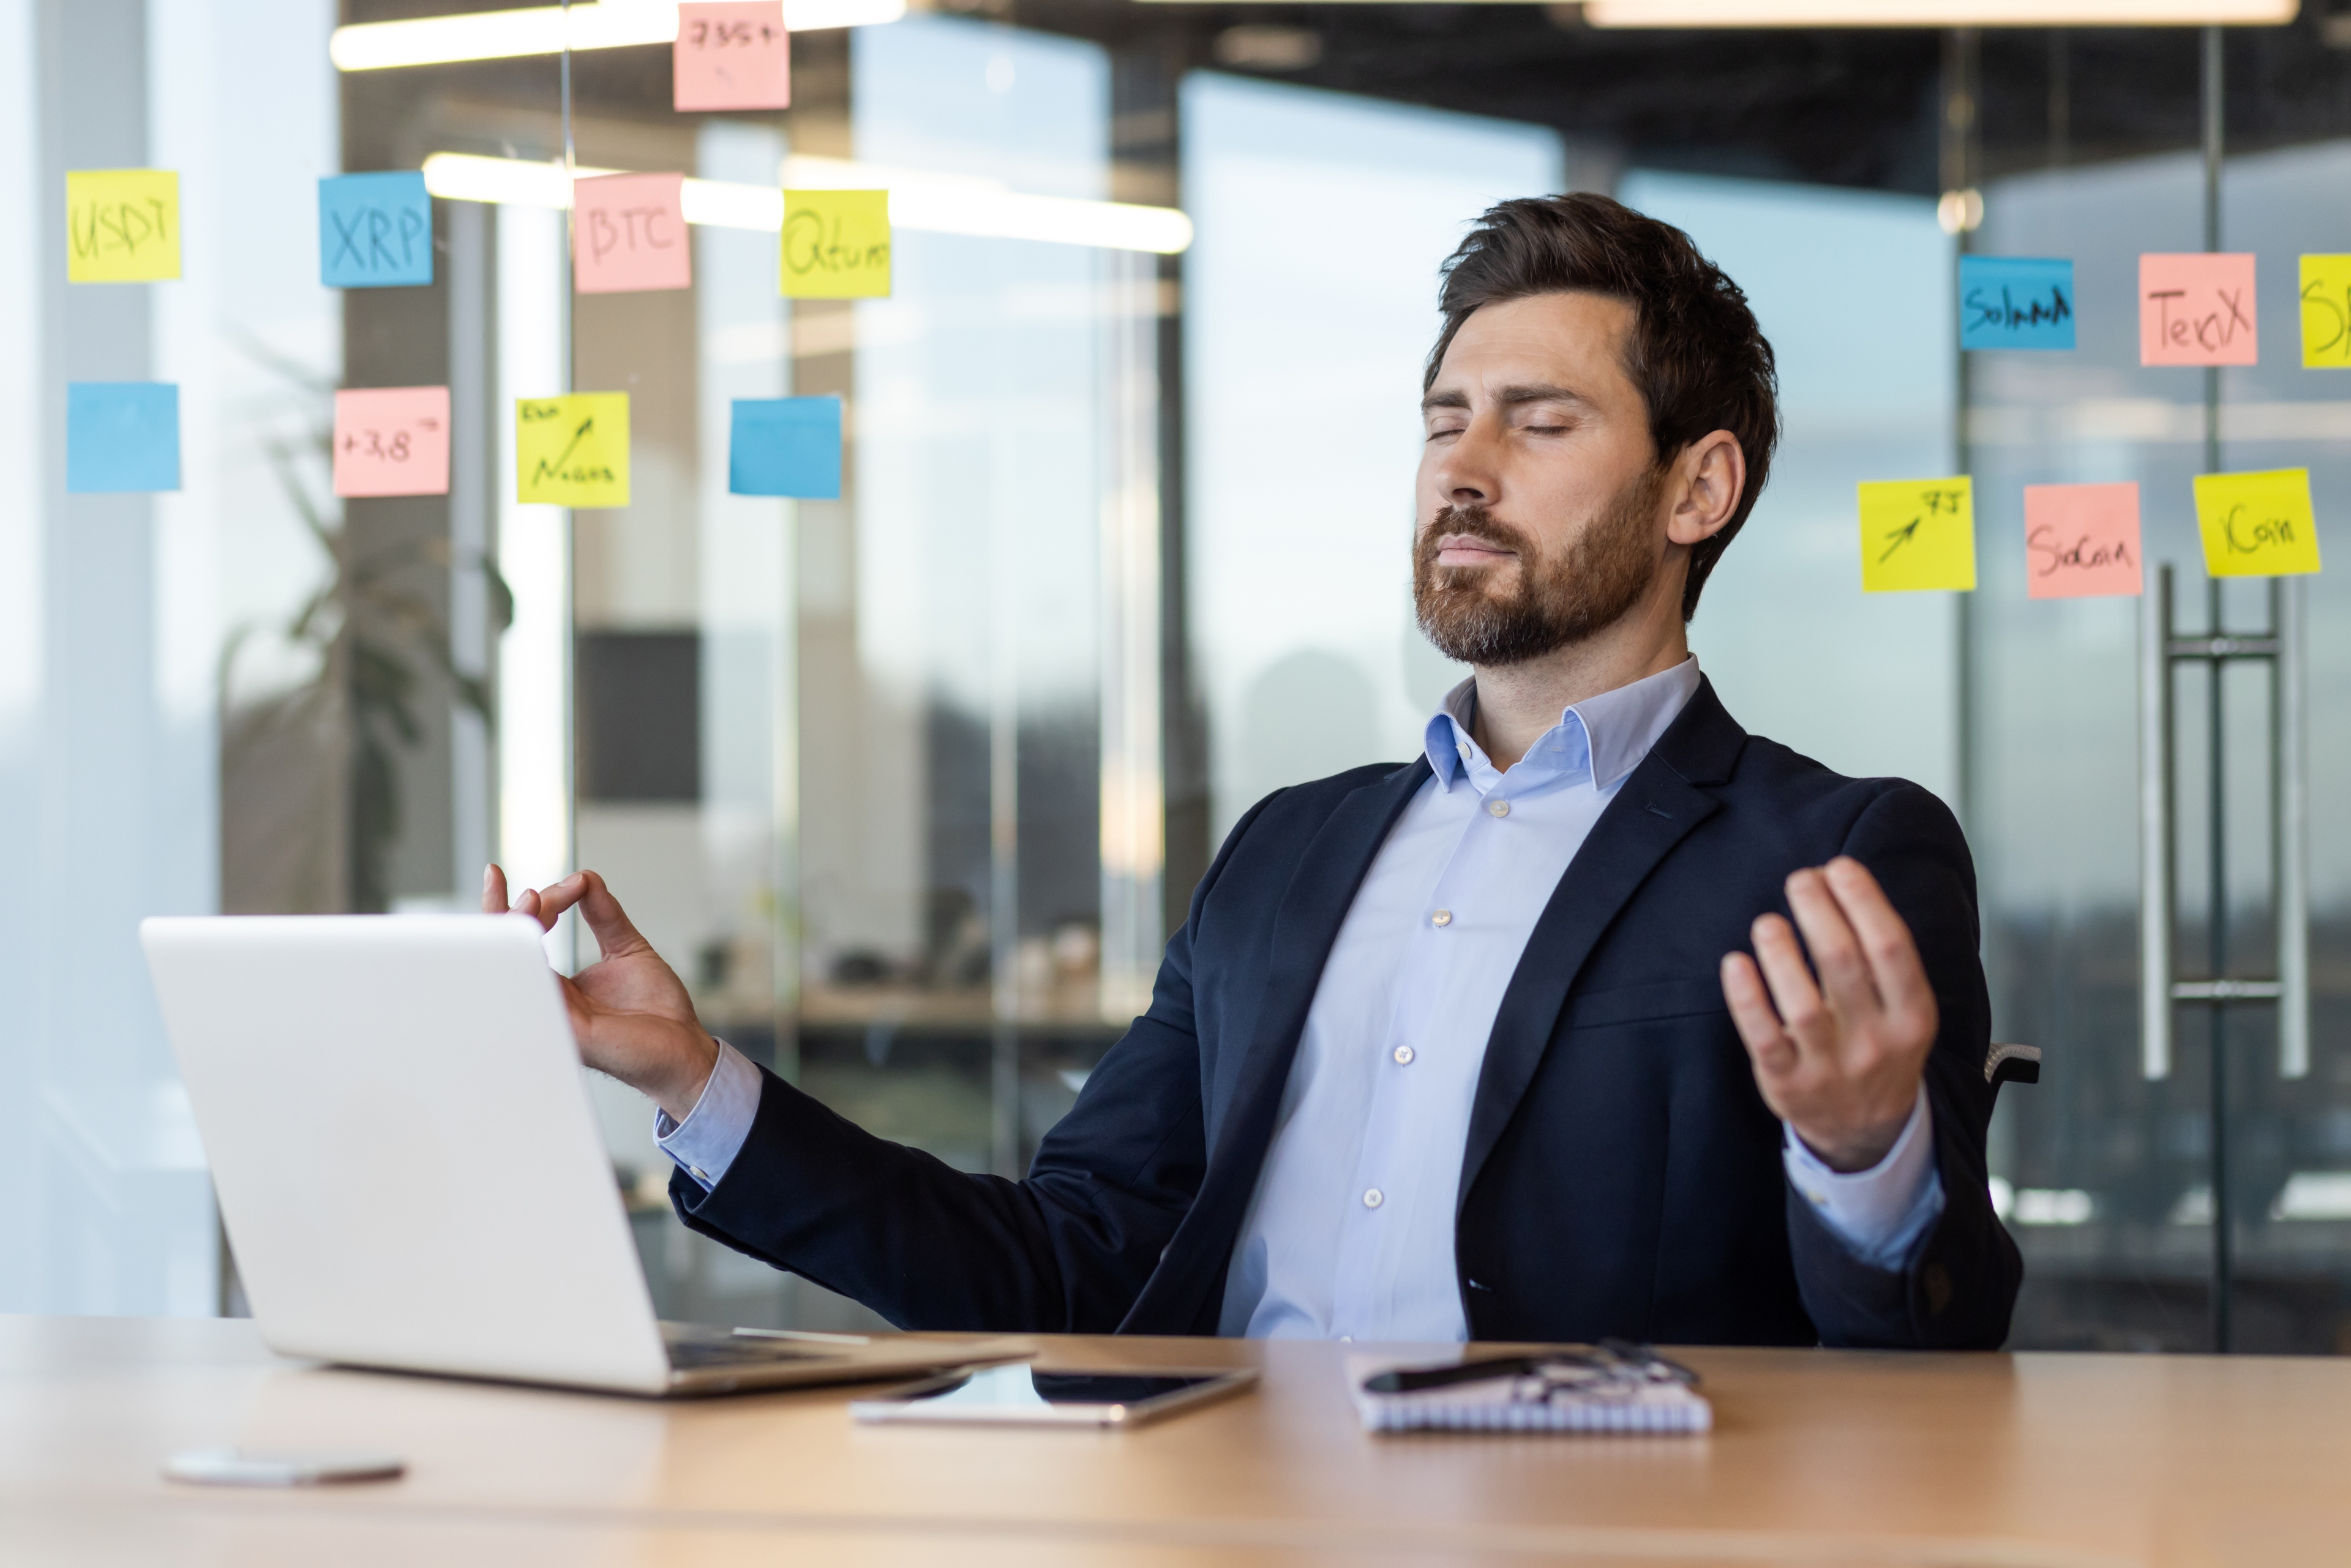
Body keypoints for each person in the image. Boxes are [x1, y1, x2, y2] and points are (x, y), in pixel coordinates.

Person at [489, 193, 2019, 1348]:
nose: (1464, 471)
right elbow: (1064, 1261)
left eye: (1541, 423)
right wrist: (694, 1085)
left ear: (1700, 486)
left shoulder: (1833, 855)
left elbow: (1936, 1352)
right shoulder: (1291, 853)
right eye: (1444, 423)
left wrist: (1863, 1155)